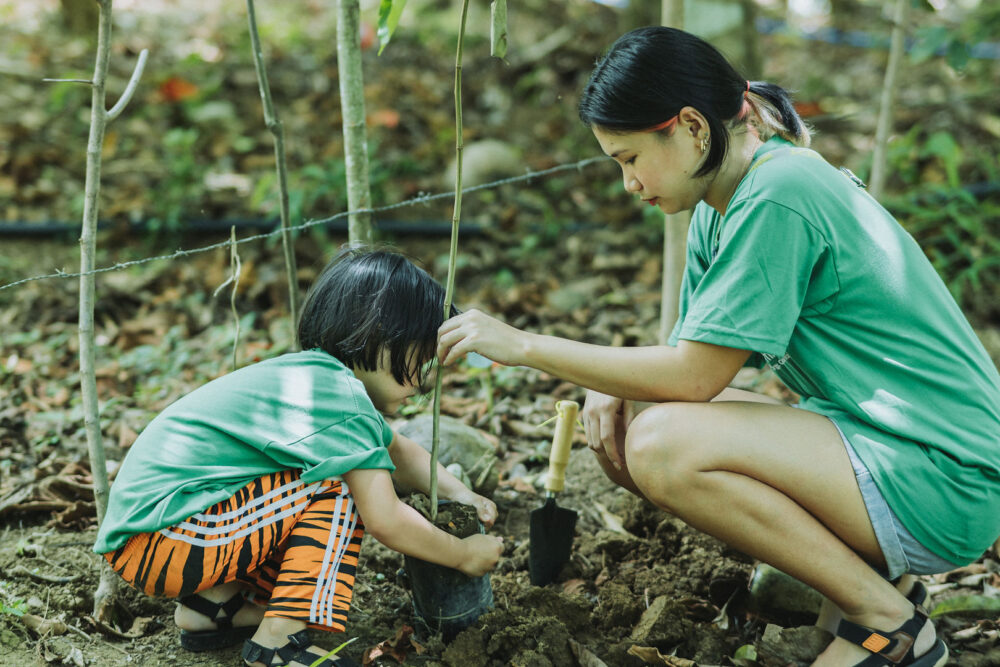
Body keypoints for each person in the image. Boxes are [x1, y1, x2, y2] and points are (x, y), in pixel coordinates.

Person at [436, 25, 1000, 667]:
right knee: (644, 420)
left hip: (946, 475)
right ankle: (878, 587)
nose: (627, 182)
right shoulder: (721, 206)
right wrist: (617, 387)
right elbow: (687, 374)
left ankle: (891, 627)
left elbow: (694, 378)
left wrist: (526, 345)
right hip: (886, 446)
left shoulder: (780, 194)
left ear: (692, 129)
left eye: (628, 158)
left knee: (661, 444)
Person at [94, 246, 504, 667]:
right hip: (169, 539)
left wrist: (463, 495)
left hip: (154, 538)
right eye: (421, 354)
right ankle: (279, 641)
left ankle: (213, 610)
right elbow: (386, 519)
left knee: (321, 476)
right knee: (341, 484)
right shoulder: (341, 398)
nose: (425, 375)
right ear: (381, 334)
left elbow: (398, 449)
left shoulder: (314, 383)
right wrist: (461, 553)